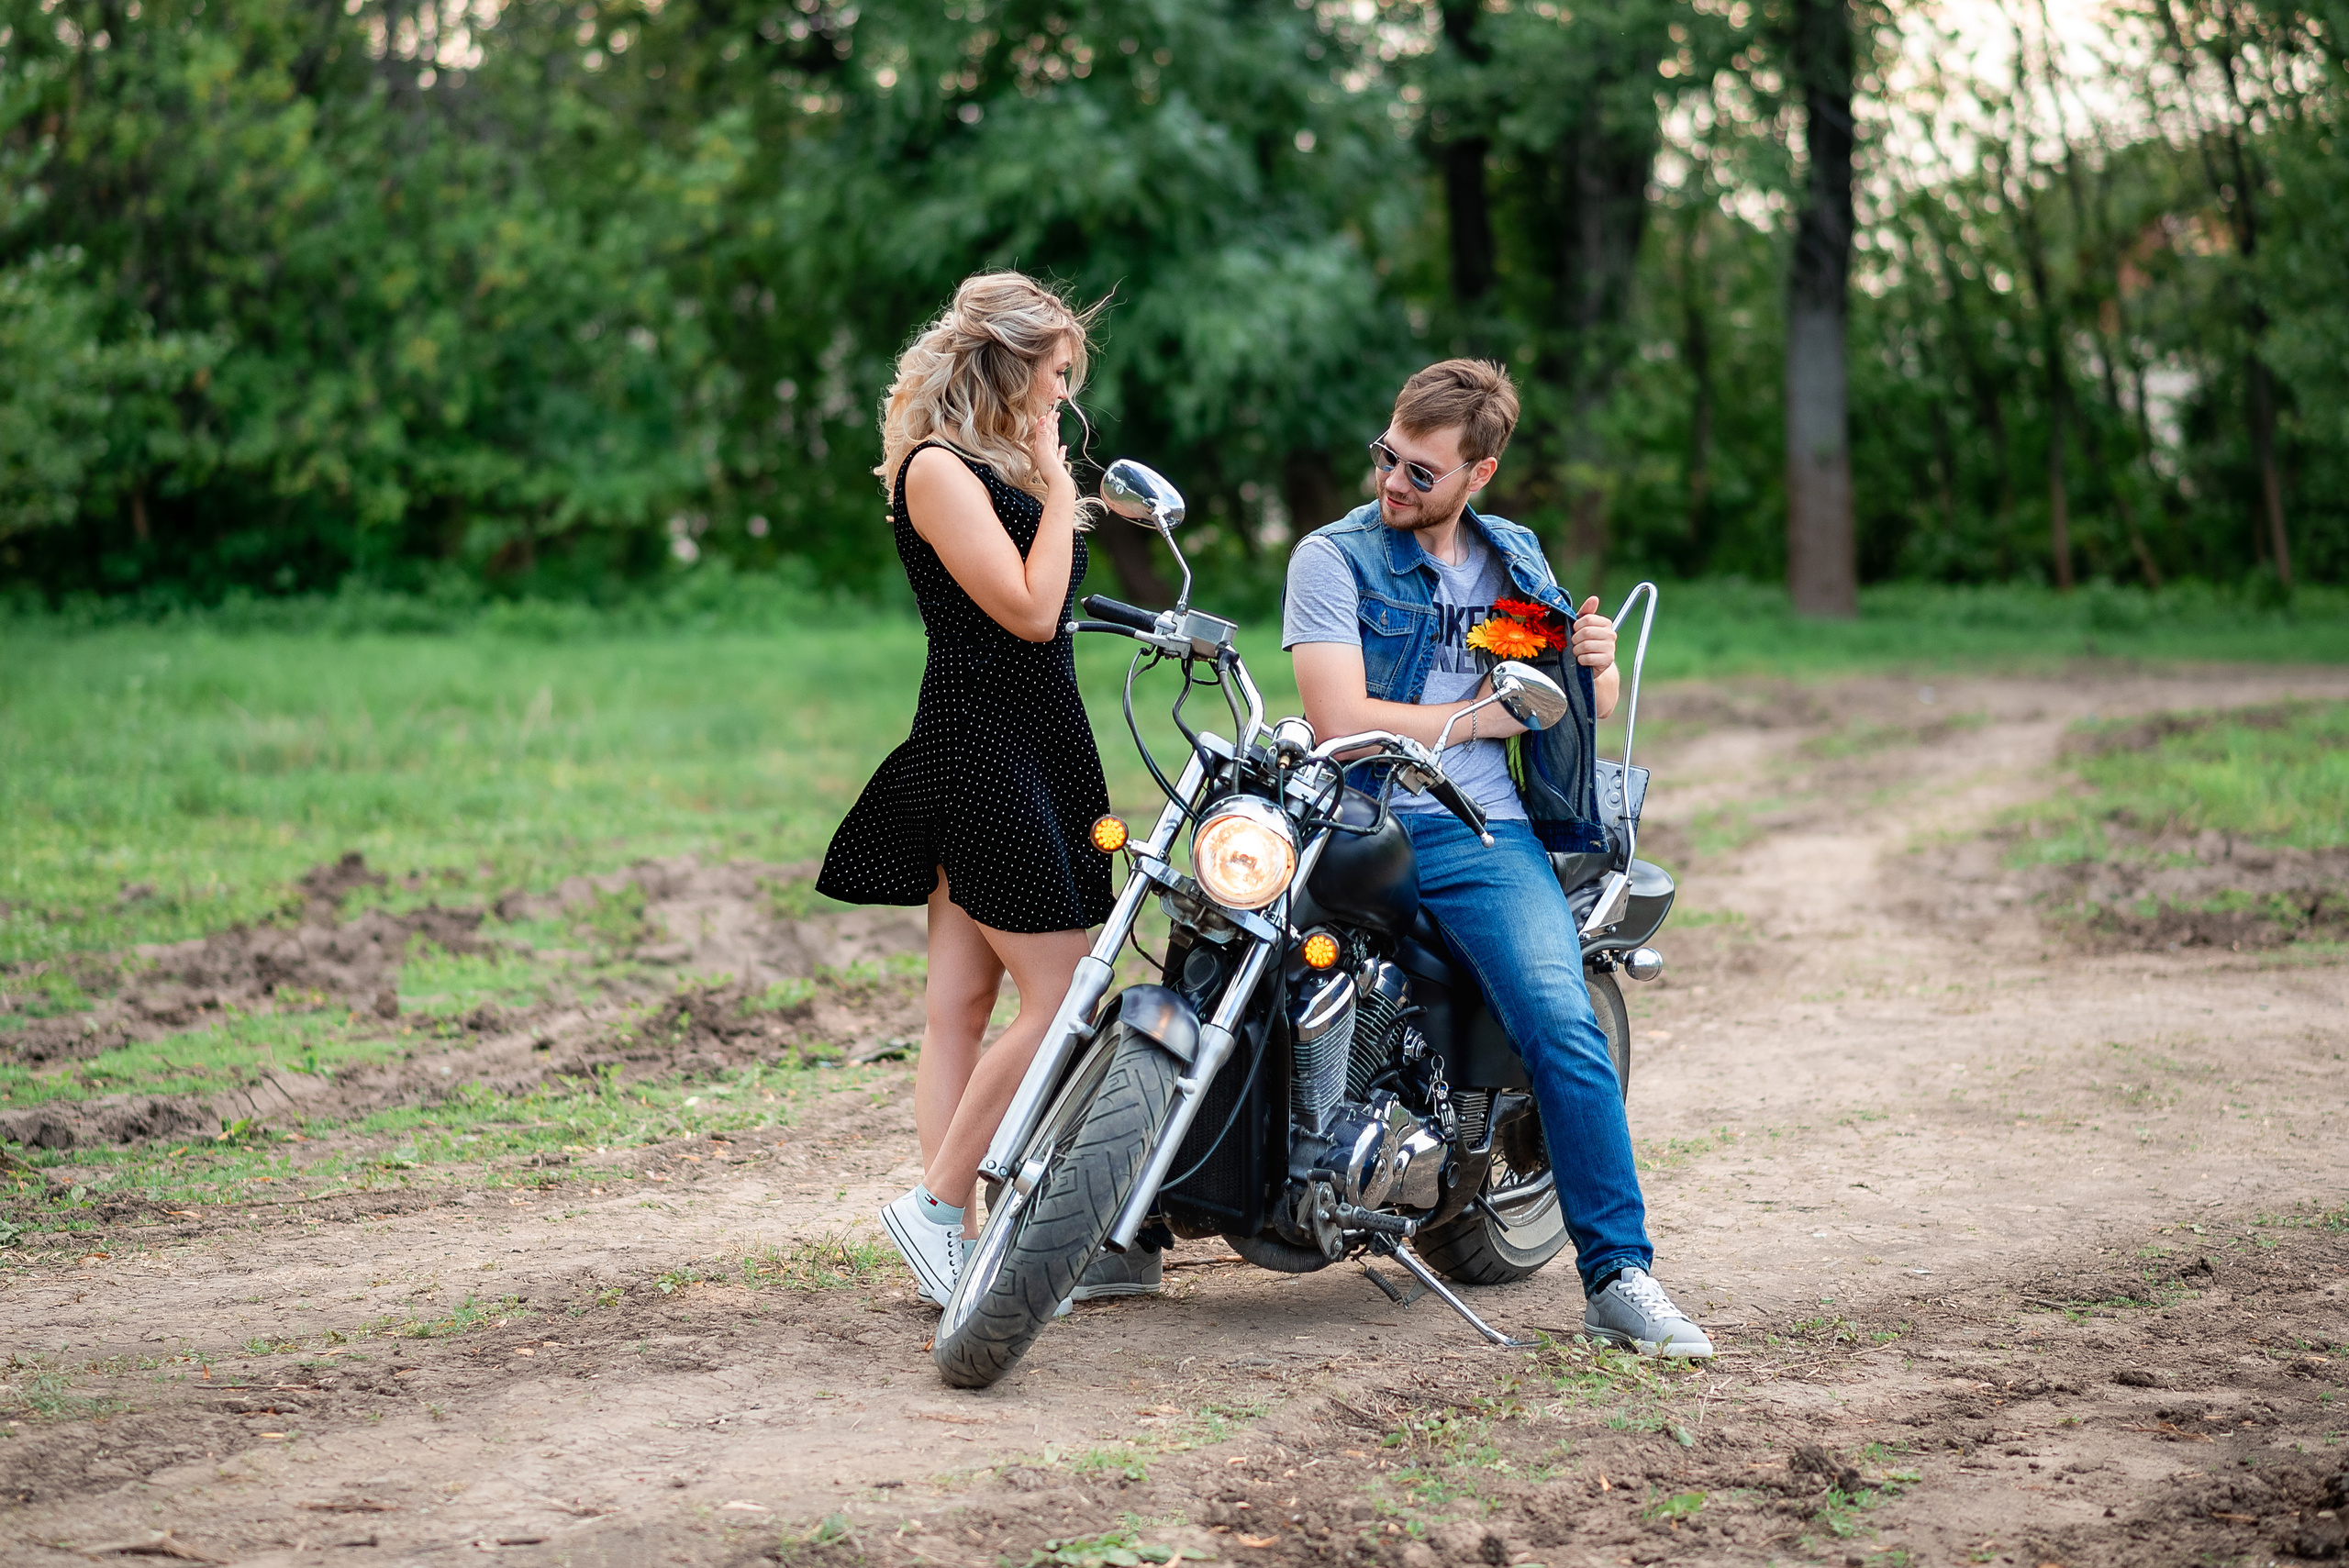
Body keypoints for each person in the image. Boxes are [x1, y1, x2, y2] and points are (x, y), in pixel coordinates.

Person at [1281, 359, 1711, 1358]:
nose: (1391, 482)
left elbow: (1567, 707)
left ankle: (1619, 1274)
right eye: (1387, 455)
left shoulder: (1511, 561)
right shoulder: (1333, 558)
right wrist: (1476, 717)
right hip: (1350, 808)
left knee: (1563, 1020)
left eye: (1421, 472)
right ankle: (1123, 1221)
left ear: (1478, 473)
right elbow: (1338, 718)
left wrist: (1589, 665)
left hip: (1477, 829)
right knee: (1218, 942)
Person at [817, 272, 1160, 1310]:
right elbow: (1025, 609)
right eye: (1058, 375)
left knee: (960, 1005)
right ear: (1010, 366)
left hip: (1036, 738)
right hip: (984, 745)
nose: (1065, 398)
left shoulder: (996, 464)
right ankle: (935, 1207)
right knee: (1060, 996)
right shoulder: (936, 470)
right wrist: (1062, 495)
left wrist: (1050, 490)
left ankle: (955, 1239)